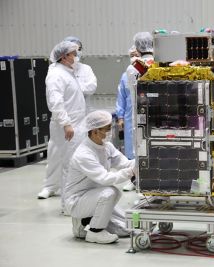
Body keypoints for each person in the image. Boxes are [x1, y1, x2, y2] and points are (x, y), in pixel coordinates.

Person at [64, 110, 135, 244]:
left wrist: (144, 160)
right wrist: (131, 172)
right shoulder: (84, 154)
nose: (110, 132)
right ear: (95, 131)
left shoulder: (106, 147)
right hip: (77, 201)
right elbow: (105, 178)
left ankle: (83, 221)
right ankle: (95, 232)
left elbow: (125, 164)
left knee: (127, 228)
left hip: (94, 196)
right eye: (108, 129)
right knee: (111, 192)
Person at [37, 41, 87, 205]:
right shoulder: (56, 75)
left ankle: (73, 200)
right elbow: (56, 102)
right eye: (73, 53)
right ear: (64, 56)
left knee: (74, 163)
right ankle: (68, 204)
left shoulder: (67, 72)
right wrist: (66, 124)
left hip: (76, 125)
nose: (76, 56)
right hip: (68, 127)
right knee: (69, 165)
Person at [122, 32, 155, 192]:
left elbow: (132, 90)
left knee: (140, 149)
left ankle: (139, 181)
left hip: (140, 115)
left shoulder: (132, 68)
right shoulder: (160, 63)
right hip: (158, 116)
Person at [63, 36, 97, 113]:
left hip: (84, 113)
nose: (77, 52)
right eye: (75, 49)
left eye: (80, 49)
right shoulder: (59, 70)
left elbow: (92, 87)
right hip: (65, 114)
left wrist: (72, 88)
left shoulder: (86, 68)